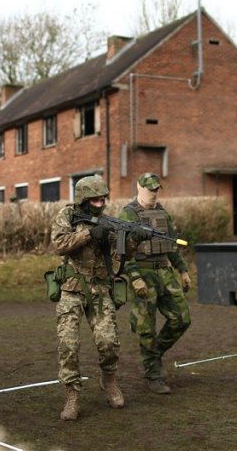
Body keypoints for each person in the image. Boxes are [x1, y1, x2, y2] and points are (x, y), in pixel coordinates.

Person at [50, 175, 147, 421]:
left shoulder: (109, 221)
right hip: (72, 288)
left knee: (108, 342)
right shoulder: (67, 216)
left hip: (101, 289)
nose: (100, 201)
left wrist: (134, 238)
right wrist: (90, 235)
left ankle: (109, 379)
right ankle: (72, 395)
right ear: (83, 198)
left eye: (103, 197)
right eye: (95, 198)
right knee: (68, 345)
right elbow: (59, 244)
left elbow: (120, 255)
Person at [119, 172, 191, 394]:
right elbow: (123, 251)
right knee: (146, 327)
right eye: (150, 189)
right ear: (139, 188)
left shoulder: (162, 212)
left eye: (156, 189)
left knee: (181, 319)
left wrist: (183, 270)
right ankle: (153, 375)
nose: (154, 193)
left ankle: (155, 354)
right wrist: (135, 277)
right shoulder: (128, 213)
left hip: (164, 272)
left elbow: (171, 244)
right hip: (143, 273)